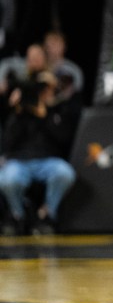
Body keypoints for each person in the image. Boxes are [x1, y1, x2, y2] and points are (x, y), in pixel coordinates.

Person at [0, 72, 76, 235]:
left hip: (47, 160)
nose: (43, 93)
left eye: (47, 89)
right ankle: (18, 215)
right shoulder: (20, 113)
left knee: (64, 172)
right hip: (20, 161)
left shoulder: (57, 110)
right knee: (7, 179)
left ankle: (47, 214)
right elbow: (7, 142)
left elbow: (63, 138)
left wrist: (45, 115)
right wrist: (17, 112)